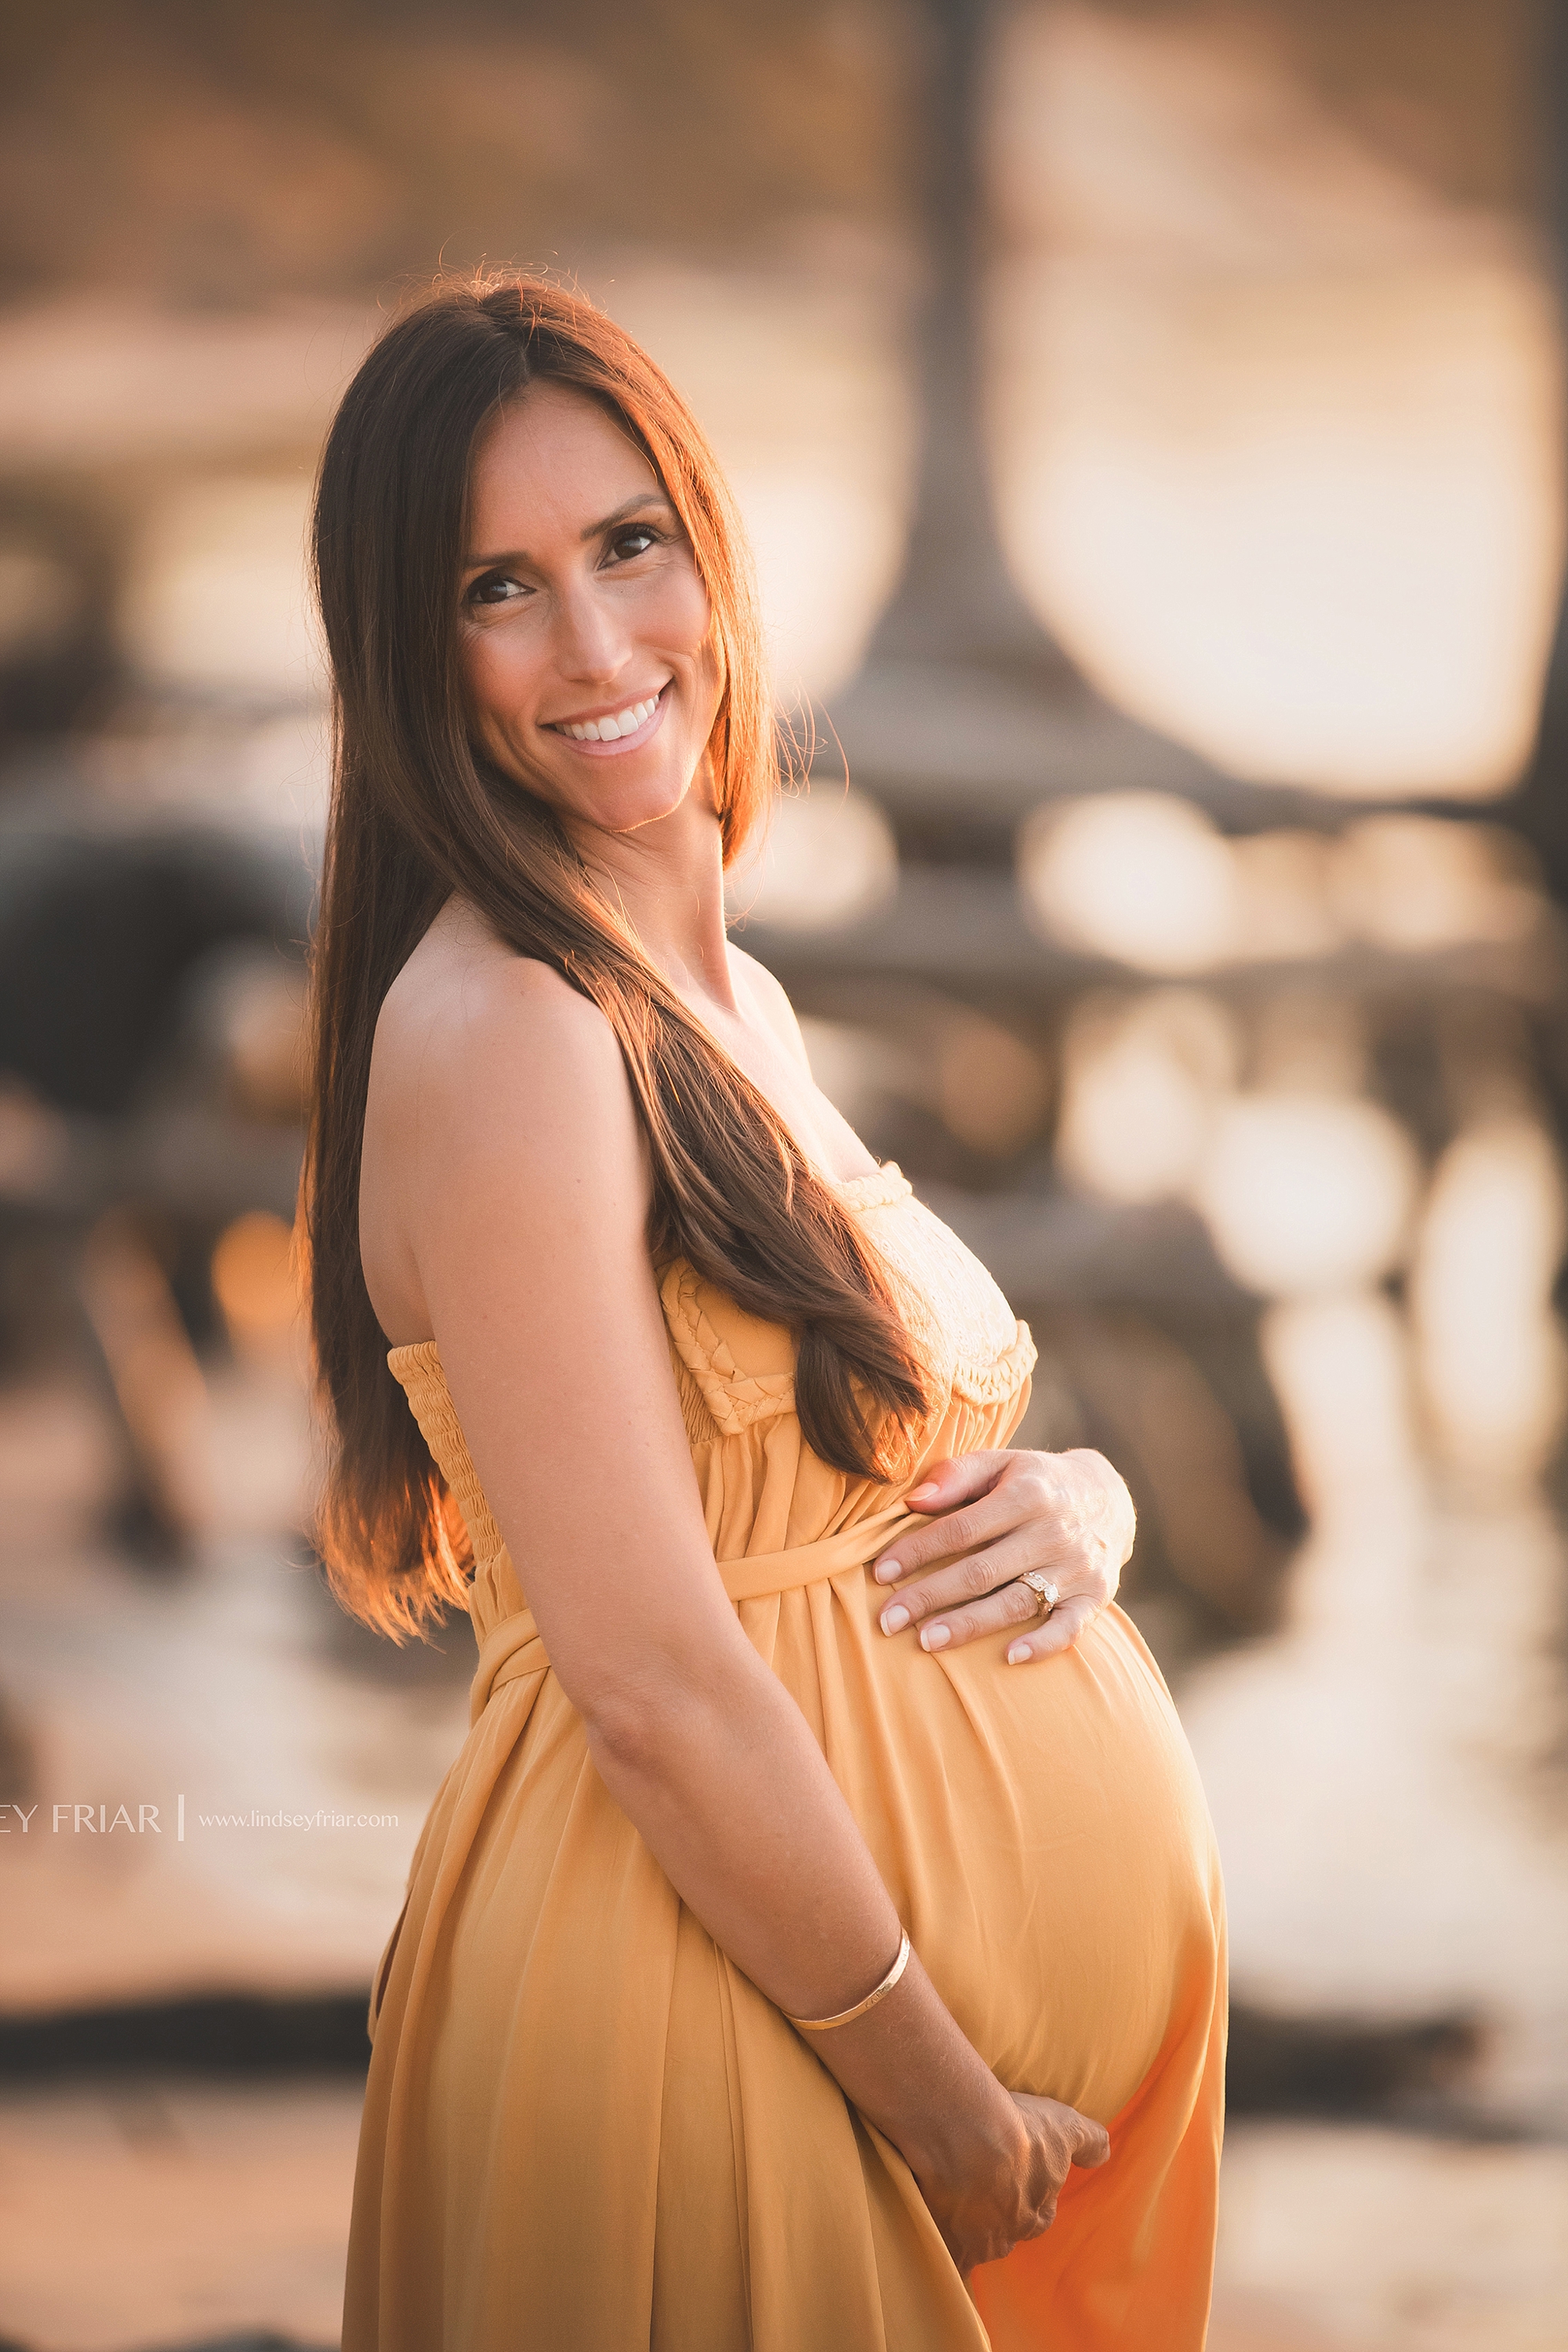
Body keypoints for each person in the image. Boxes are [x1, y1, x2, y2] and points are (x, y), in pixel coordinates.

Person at [308, 277, 1225, 2351]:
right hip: (720, 2044)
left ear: (706, 544)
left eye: (629, 544)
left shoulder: (732, 1003)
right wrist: (936, 2093)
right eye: (496, 589)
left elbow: (856, 1458)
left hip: (844, 2053)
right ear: (411, 652)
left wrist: (1083, 1505)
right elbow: (647, 1673)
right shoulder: (513, 1034)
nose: (598, 644)